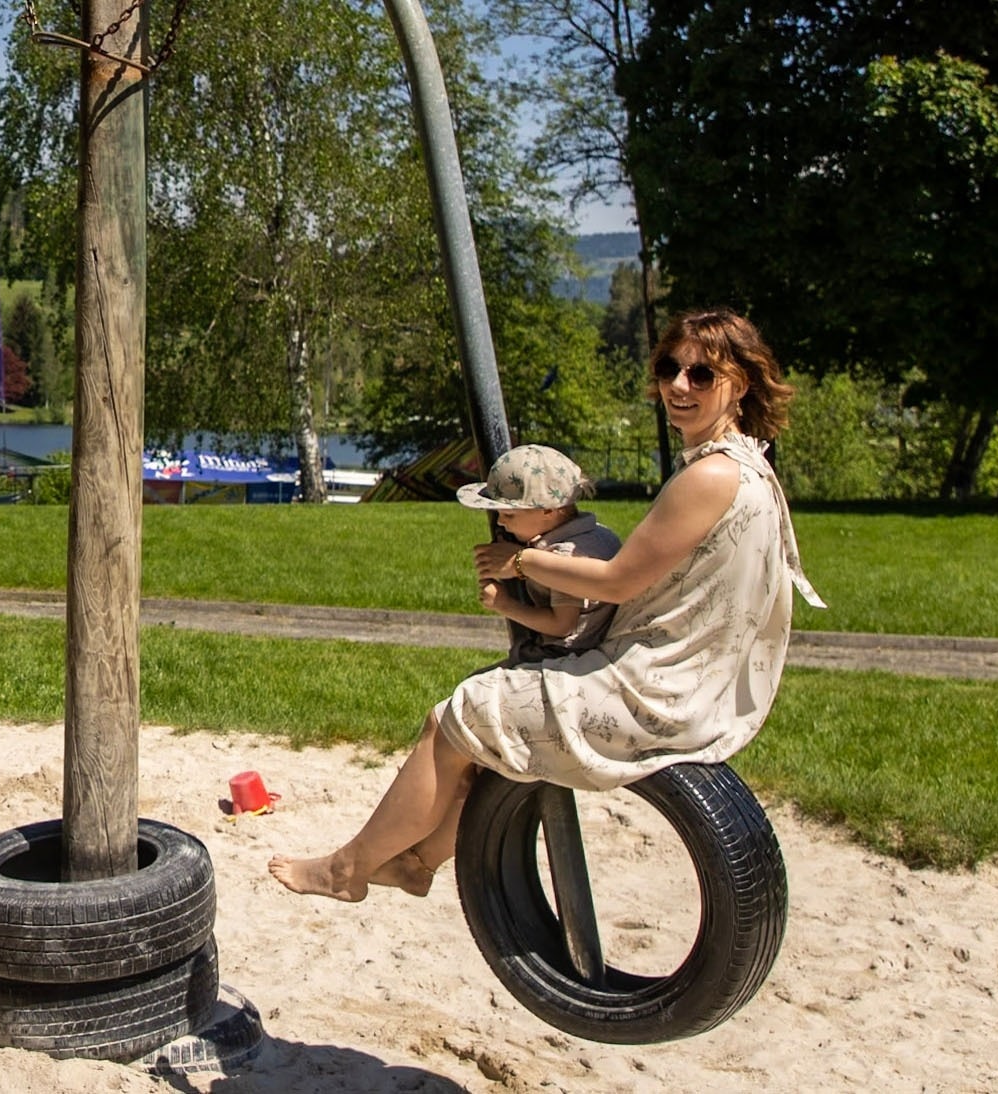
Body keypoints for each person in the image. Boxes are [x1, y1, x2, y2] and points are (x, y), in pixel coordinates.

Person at [269, 308, 825, 902]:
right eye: (670, 368)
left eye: (702, 375)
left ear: (739, 382)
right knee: (487, 722)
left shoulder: (709, 477)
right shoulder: (748, 467)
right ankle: (418, 861)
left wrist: (522, 562)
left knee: (458, 716)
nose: (679, 385)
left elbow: (614, 581)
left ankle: (345, 872)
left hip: (660, 693)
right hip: (693, 684)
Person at [455, 444, 623, 666]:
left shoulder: (566, 556)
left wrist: (504, 604)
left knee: (469, 693)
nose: (501, 522)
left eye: (509, 515)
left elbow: (562, 625)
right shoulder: (598, 533)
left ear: (548, 510)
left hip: (565, 656)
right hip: (590, 649)